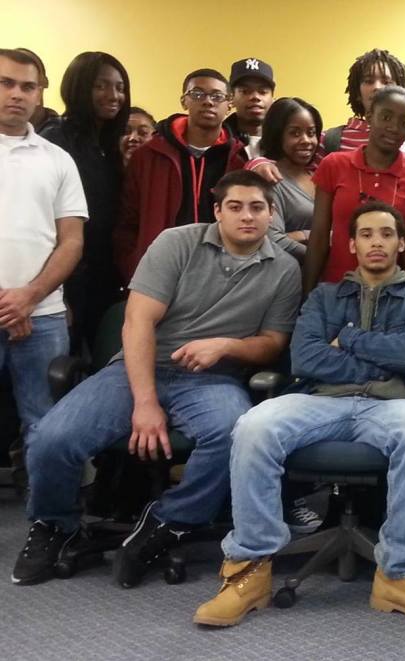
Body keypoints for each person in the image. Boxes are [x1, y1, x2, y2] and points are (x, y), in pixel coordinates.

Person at [12, 170, 300, 588]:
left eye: (257, 207)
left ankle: (169, 522)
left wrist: (225, 346)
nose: (247, 216)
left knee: (235, 434)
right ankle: (55, 524)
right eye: (235, 207)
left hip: (211, 379)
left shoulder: (285, 269)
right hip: (137, 367)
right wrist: (145, 403)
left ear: (272, 213)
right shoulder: (176, 243)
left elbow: (272, 343)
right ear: (217, 211)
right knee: (51, 437)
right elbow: (137, 321)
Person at [194, 200, 405, 626]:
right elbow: (306, 358)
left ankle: (400, 573)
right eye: (366, 234)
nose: (376, 242)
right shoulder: (325, 295)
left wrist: (346, 338)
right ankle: (250, 569)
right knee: (254, 425)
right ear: (351, 244)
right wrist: (384, 358)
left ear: (401, 243)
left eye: (386, 234)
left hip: (390, 404)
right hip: (320, 399)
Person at [0, 48, 85, 443]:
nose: (17, 94)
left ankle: (45, 507)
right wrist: (9, 304)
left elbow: (71, 241)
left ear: (40, 94)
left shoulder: (59, 159)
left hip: (44, 315)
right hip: (18, 308)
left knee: (46, 427)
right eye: (6, 83)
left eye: (27, 86)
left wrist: (29, 298)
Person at [114, 68, 246, 283]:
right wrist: (134, 267)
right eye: (197, 94)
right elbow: (127, 222)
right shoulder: (149, 155)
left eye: (217, 96)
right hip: (157, 276)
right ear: (184, 101)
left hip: (220, 278)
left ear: (229, 104)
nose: (208, 102)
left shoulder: (239, 160)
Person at [38, 52, 130, 350]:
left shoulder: (107, 145)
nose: (113, 95)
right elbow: (45, 222)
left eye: (119, 87)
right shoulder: (57, 140)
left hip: (101, 277)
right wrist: (60, 294)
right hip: (67, 280)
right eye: (101, 86)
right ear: (79, 88)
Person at [305, 86, 405, 292]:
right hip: (336, 292)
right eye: (386, 117)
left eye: (404, 122)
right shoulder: (334, 164)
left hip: (391, 296)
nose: (394, 127)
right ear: (369, 116)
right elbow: (319, 236)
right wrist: (307, 293)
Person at [258, 97, 322, 260]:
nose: (306, 141)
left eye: (311, 133)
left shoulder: (318, 176)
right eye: (295, 133)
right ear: (277, 135)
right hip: (290, 277)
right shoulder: (271, 178)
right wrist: (315, 240)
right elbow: (272, 240)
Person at [223, 57, 275, 160]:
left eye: (263, 92)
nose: (255, 97)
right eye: (245, 91)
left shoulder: (285, 141)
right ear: (231, 99)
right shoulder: (218, 141)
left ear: (273, 99)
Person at [13, 48, 58, 132]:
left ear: (45, 82)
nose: (16, 93)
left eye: (28, 84)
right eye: (8, 82)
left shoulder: (63, 134)